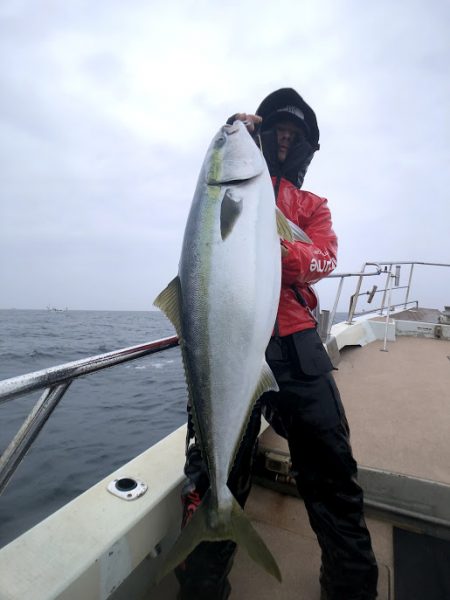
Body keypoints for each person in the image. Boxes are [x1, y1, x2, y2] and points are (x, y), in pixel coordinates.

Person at [175, 88, 378, 600]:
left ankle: (350, 587)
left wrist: (280, 251)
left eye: (295, 136)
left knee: (333, 472)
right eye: (276, 132)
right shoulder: (234, 189)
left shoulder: (313, 206)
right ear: (261, 138)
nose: (284, 142)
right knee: (210, 476)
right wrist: (231, 132)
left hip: (295, 348)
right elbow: (211, 226)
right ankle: (200, 586)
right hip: (231, 347)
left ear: (308, 147)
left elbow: (325, 258)